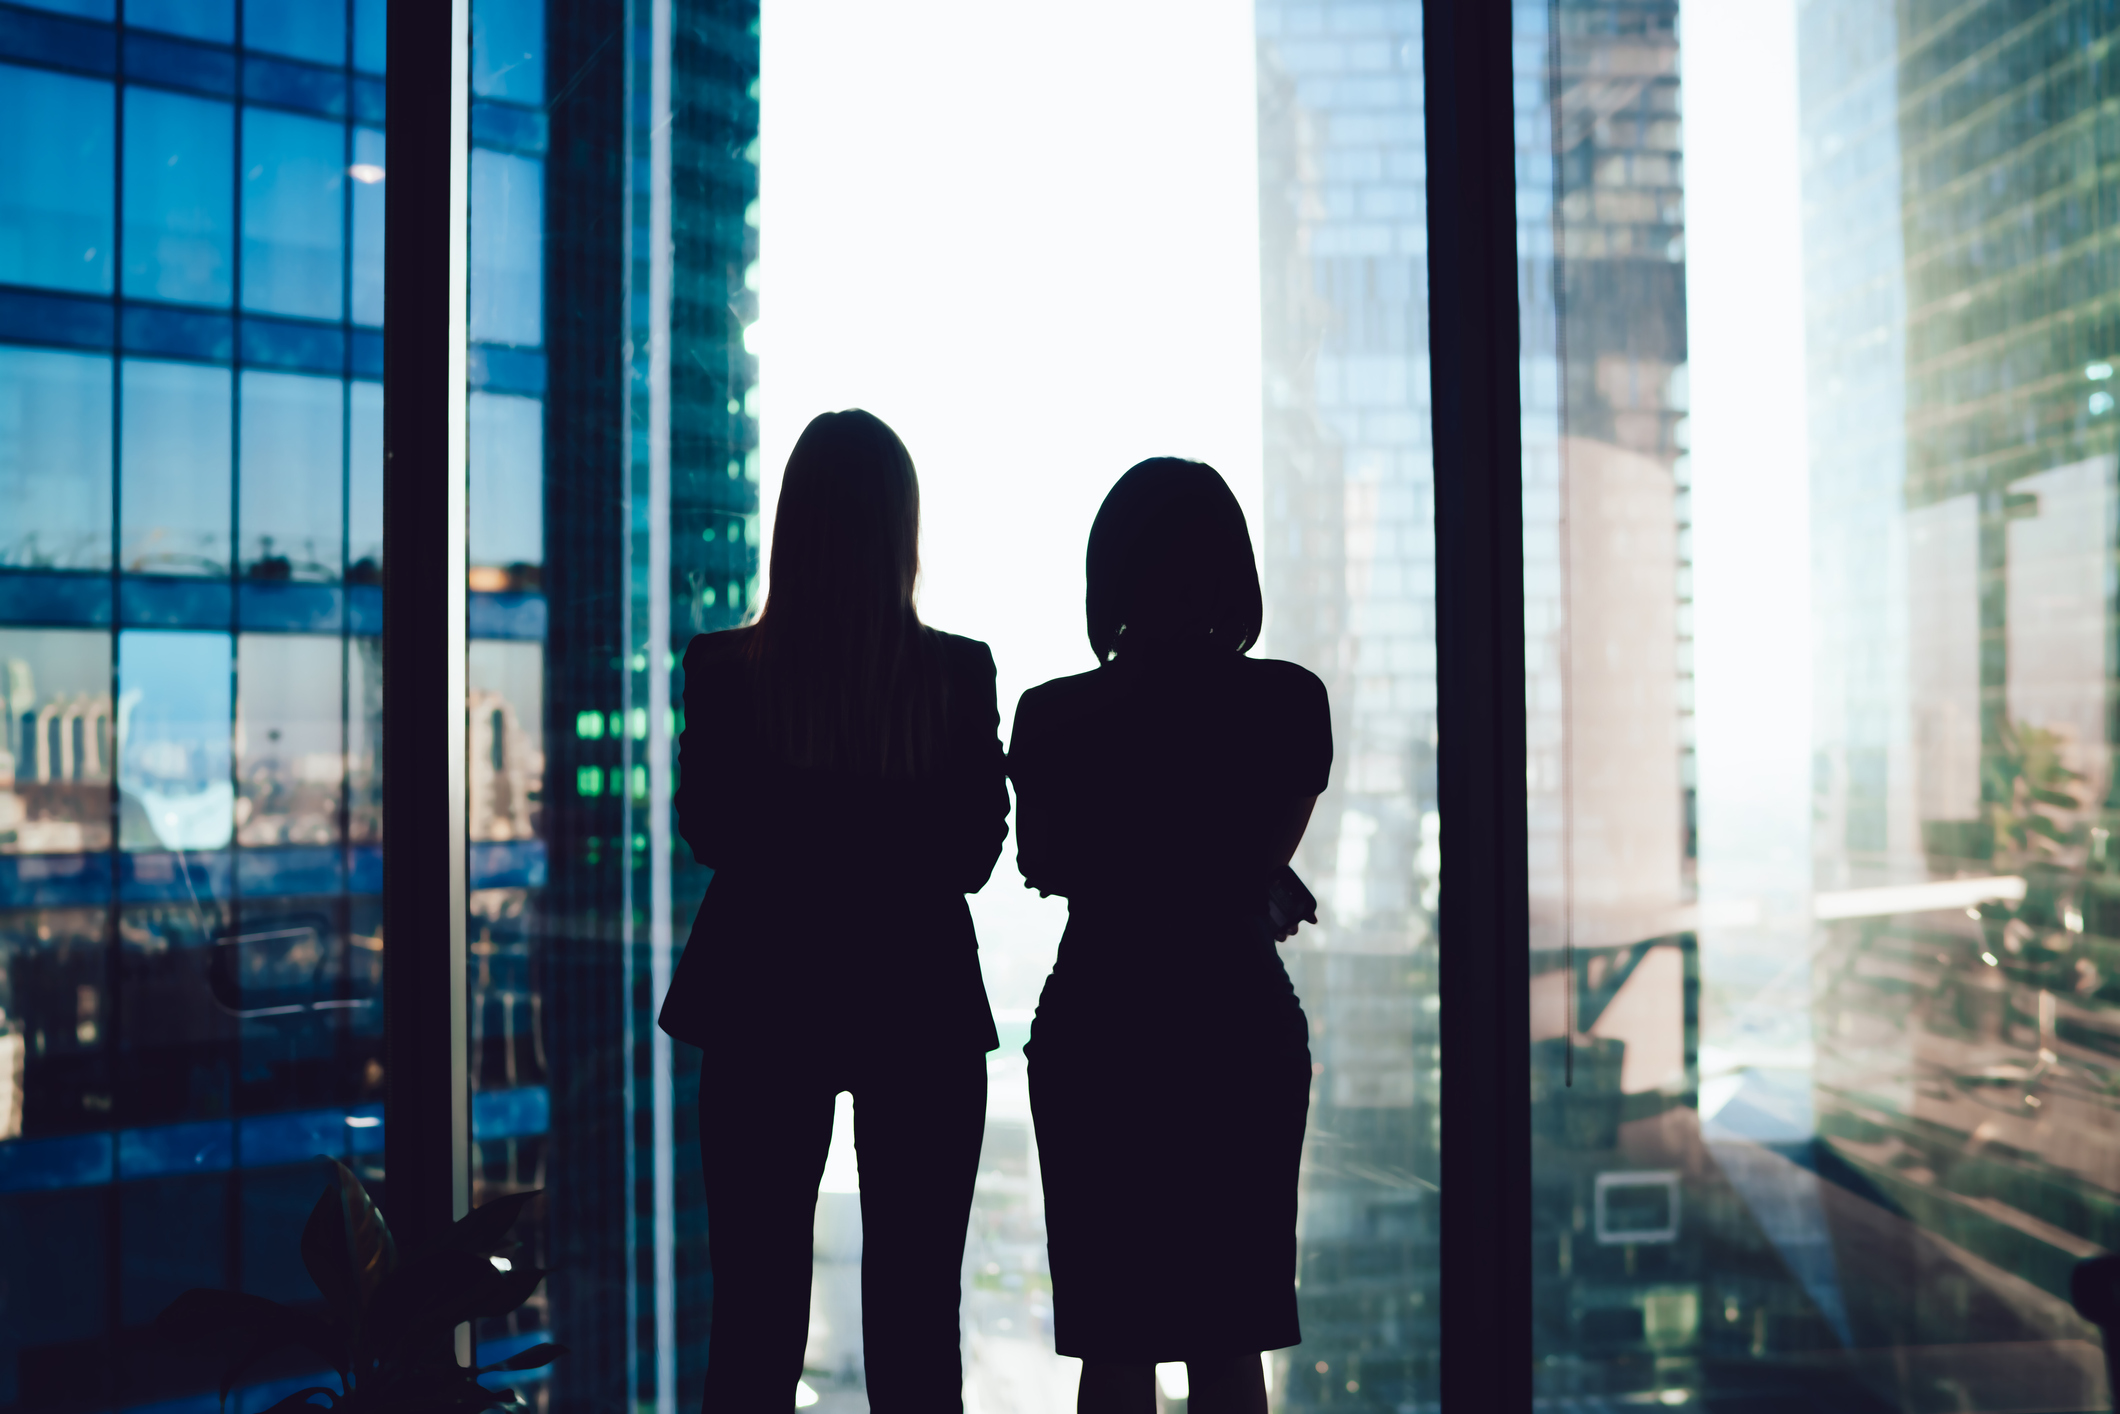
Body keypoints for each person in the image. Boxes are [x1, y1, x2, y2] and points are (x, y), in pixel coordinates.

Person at [657, 409, 1008, 1413]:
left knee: (753, 1319)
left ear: (791, 528)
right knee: (914, 1324)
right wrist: (888, 828)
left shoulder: (725, 671)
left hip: (764, 1000)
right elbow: (971, 852)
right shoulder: (955, 673)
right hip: (920, 1002)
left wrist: (805, 825)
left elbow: (715, 833)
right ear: (904, 529)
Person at [1009, 458, 1331, 1414]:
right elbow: (1236, 871)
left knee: (1114, 1343)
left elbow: (1050, 865)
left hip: (1099, 1023)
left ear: (1110, 572)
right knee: (1231, 1341)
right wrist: (1250, 879)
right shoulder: (1288, 701)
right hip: (1236, 1022)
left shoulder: (1052, 714)